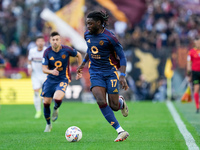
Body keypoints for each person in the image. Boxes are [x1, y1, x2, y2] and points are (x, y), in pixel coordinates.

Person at [76, 11, 129, 142]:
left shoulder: (110, 37)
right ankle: (120, 131)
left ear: (99, 23)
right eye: (87, 23)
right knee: (100, 100)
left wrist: (122, 75)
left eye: (90, 23)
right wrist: (83, 63)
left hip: (110, 73)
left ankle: (121, 103)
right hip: (95, 72)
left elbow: (122, 56)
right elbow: (90, 49)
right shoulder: (87, 35)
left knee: (114, 106)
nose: (88, 26)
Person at [41, 31, 82, 132]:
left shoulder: (67, 49)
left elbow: (79, 55)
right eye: (53, 40)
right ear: (50, 41)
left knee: (57, 98)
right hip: (50, 79)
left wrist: (79, 70)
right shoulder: (47, 52)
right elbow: (44, 69)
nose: (55, 42)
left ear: (60, 41)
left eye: (57, 40)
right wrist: (51, 71)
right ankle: (48, 124)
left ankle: (56, 108)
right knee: (46, 102)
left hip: (63, 78)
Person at [28, 35, 47, 119]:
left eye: (41, 41)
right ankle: (38, 111)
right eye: (38, 41)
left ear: (44, 42)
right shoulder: (32, 51)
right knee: (36, 92)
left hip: (45, 74)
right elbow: (29, 60)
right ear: (36, 42)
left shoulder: (46, 50)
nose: (40, 43)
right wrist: (29, 68)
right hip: (35, 75)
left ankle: (45, 110)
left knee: (45, 94)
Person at [187, 37, 200, 113]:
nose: (198, 43)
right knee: (196, 89)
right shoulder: (191, 52)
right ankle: (197, 106)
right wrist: (189, 74)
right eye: (197, 42)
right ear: (195, 43)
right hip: (195, 72)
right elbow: (189, 63)